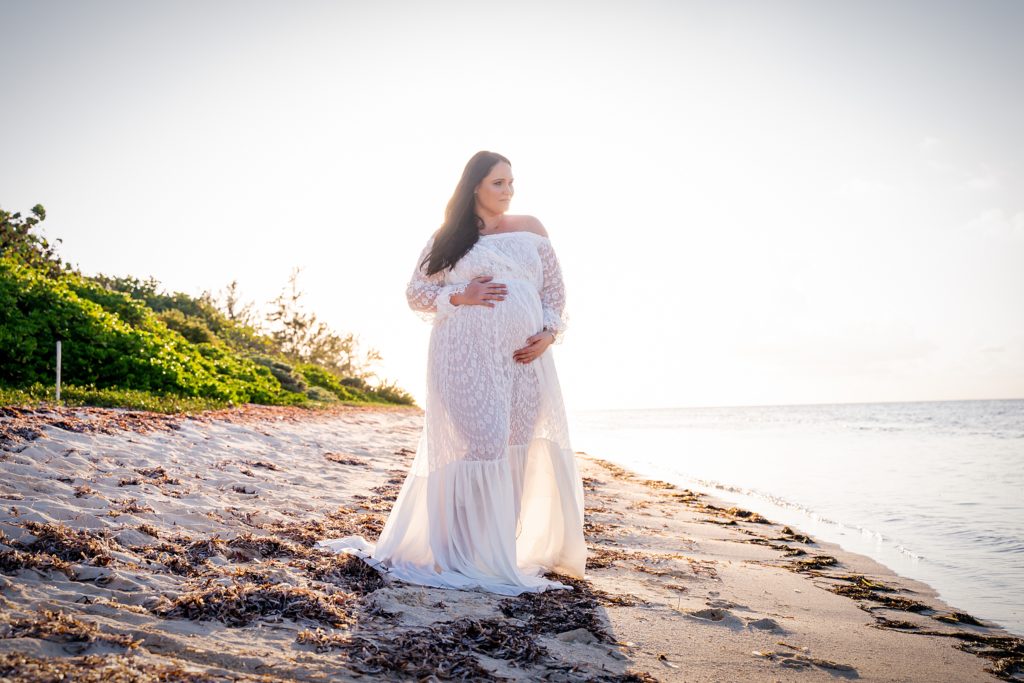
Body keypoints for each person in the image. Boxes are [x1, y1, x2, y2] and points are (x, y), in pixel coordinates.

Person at [316, 151, 586, 595]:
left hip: (524, 362)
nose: (508, 190)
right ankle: (461, 550)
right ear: (475, 185)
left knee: (516, 446)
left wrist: (549, 333)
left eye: (511, 182)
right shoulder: (449, 237)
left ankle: (497, 548)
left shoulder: (532, 228)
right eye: (498, 182)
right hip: (463, 355)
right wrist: (462, 293)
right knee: (485, 442)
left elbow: (554, 291)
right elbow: (417, 293)